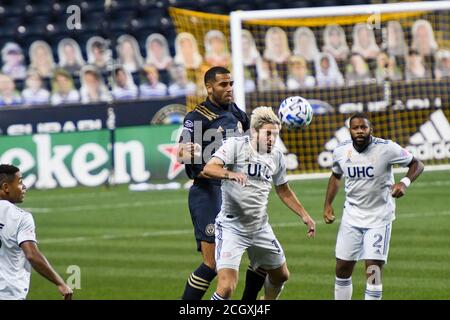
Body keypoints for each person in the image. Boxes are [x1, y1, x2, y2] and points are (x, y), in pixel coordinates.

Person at [203, 107, 316, 300]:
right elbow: (209, 168)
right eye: (268, 134)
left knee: (281, 275)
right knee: (226, 287)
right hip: (232, 227)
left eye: (276, 135)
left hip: (259, 228)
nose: (272, 139)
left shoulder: (277, 156)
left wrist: (304, 215)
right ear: (255, 131)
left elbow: (283, 190)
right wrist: (230, 174)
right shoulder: (235, 145)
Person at [177, 66, 267, 300]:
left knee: (263, 256)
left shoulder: (237, 113)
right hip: (208, 194)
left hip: (237, 193)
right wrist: (185, 151)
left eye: (231, 84)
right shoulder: (195, 118)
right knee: (212, 263)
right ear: (209, 87)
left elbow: (252, 145)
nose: (229, 89)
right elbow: (186, 158)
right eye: (223, 85)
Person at [323, 113, 424, 300]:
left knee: (373, 270)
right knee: (342, 268)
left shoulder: (387, 148)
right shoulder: (340, 151)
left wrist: (404, 183)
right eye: (356, 128)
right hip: (351, 217)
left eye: (364, 127)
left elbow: (417, 164)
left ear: (371, 129)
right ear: (350, 131)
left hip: (379, 218)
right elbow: (336, 176)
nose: (360, 131)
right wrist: (327, 205)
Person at [0, 164, 73, 300]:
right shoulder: (20, 217)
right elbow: (32, 255)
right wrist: (60, 283)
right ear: (5, 187)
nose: (24, 187)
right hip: (9, 294)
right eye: (20, 182)